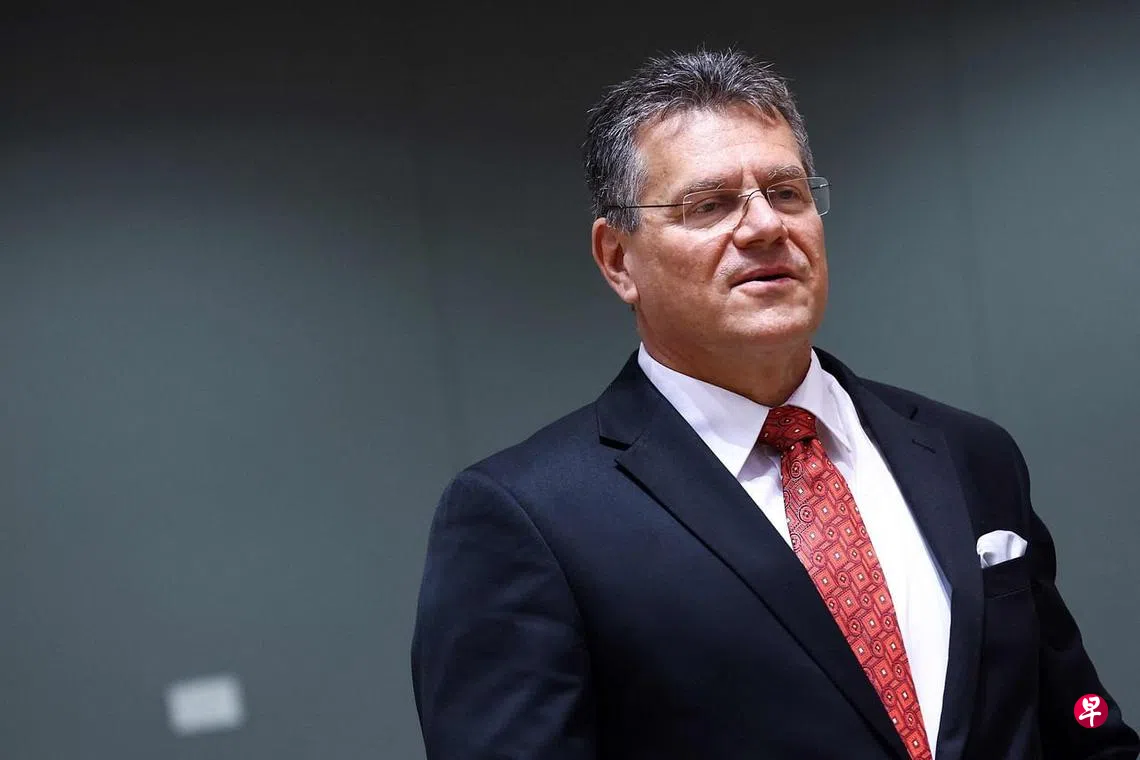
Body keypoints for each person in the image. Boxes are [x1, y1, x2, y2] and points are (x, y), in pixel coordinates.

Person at [410, 49, 1139, 760]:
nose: (765, 227)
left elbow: (1080, 728)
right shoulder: (528, 518)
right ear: (617, 259)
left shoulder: (969, 454)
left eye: (787, 193)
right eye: (710, 204)